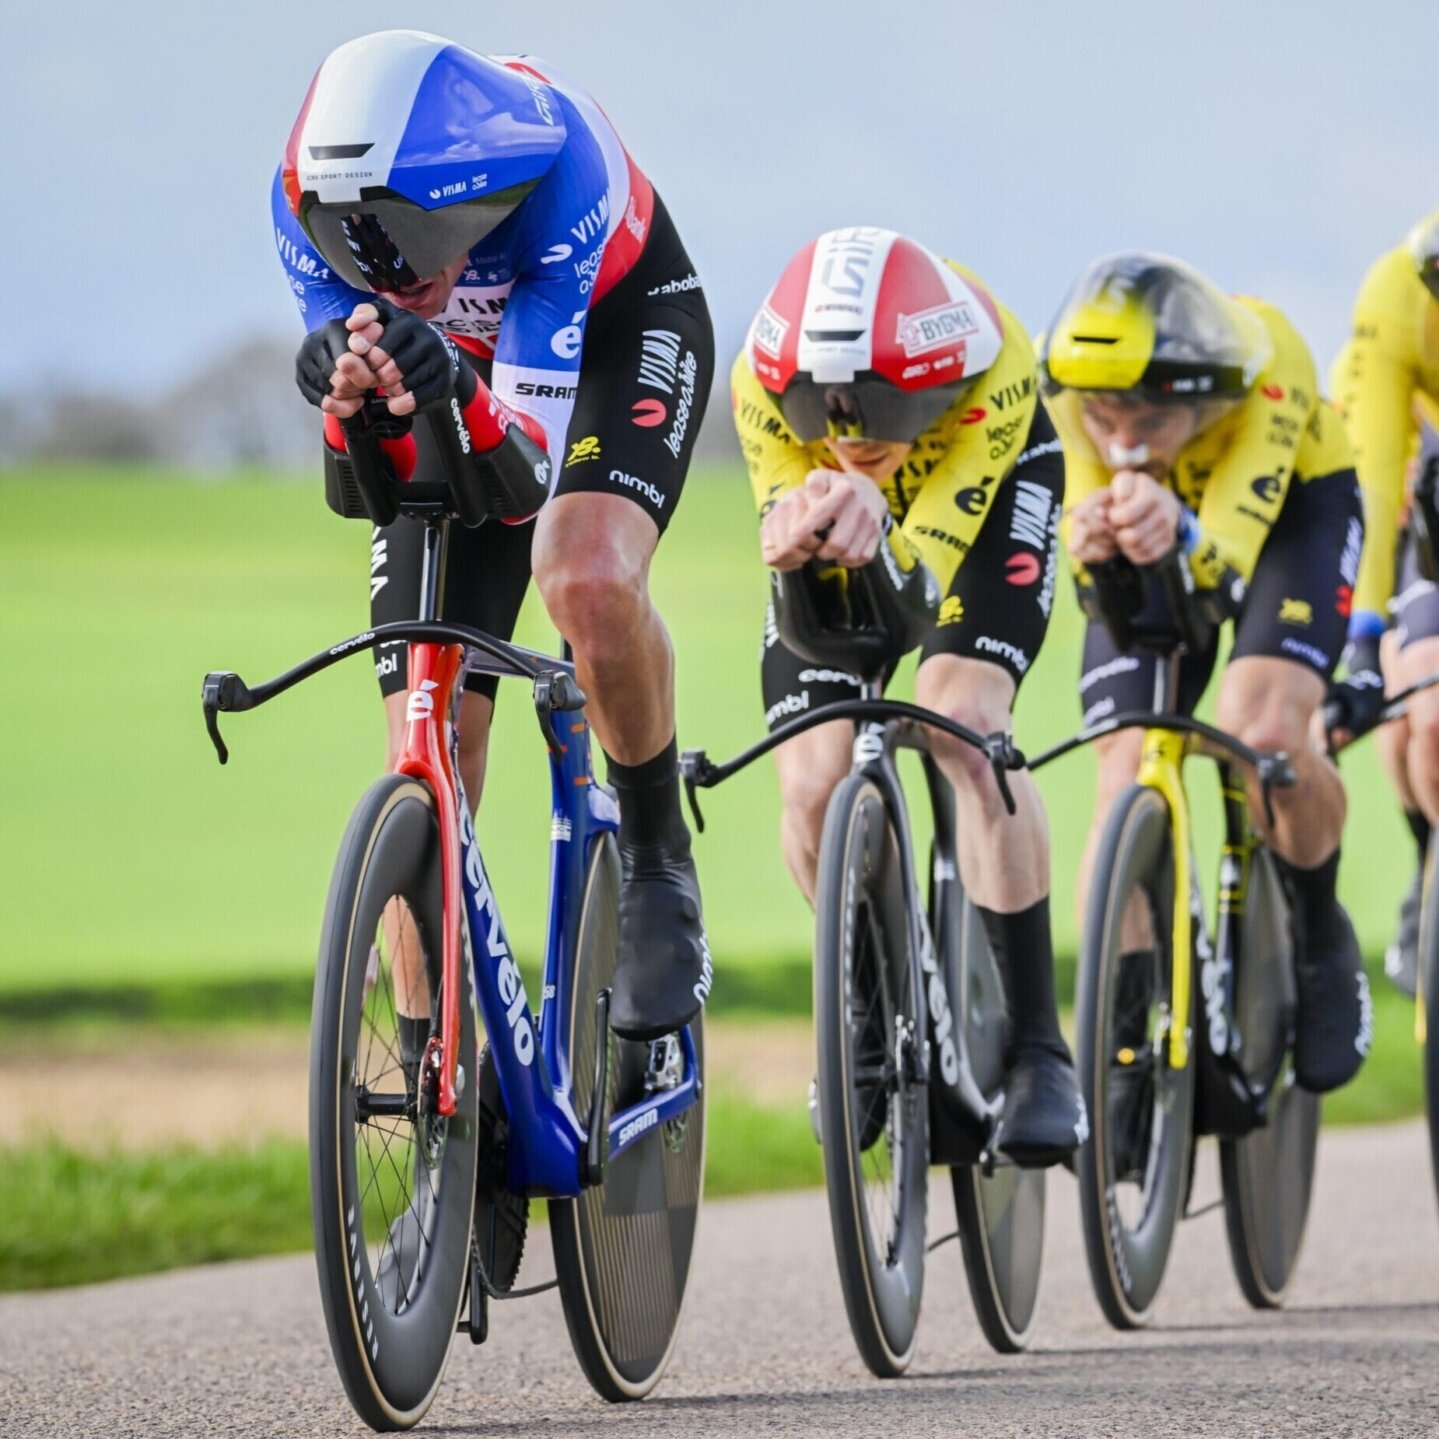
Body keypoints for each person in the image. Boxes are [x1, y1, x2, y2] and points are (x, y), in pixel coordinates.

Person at [274, 30, 715, 1042]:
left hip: (616, 329)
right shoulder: (299, 201)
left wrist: (454, 382)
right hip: (455, 370)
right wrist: (348, 408)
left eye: (404, 237)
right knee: (425, 732)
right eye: (351, 242)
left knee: (584, 574)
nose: (381, 270)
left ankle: (653, 854)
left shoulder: (558, 172)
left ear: (469, 200)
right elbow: (366, 487)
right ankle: (448, 1099)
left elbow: (519, 483)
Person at [732, 227, 1086, 1167]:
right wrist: (795, 524)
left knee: (963, 722)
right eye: (830, 411)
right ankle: (862, 1001)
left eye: (887, 407)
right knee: (809, 779)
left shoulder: (995, 362)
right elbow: (786, 525)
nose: (855, 432)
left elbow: (918, 586)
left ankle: (1039, 1046)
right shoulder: (757, 378)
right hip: (842, 516)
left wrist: (870, 512)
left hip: (986, 499)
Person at [1040, 252, 1371, 1094]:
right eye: (1100, 418)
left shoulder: (1268, 369)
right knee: (1121, 767)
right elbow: (1095, 585)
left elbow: (1220, 572)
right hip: (1171, 522)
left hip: (1291, 514)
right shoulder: (1069, 399)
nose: (1118, 445)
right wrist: (1096, 549)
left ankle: (1317, 929)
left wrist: (1180, 534)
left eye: (1145, 421)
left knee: (1261, 734)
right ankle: (1121, 1039)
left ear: (1195, 396)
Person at [1329, 210, 1439, 996]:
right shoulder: (1396, 293)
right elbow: (1370, 479)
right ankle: (1427, 862)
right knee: (1420, 713)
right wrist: (1363, 643)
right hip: (1424, 489)